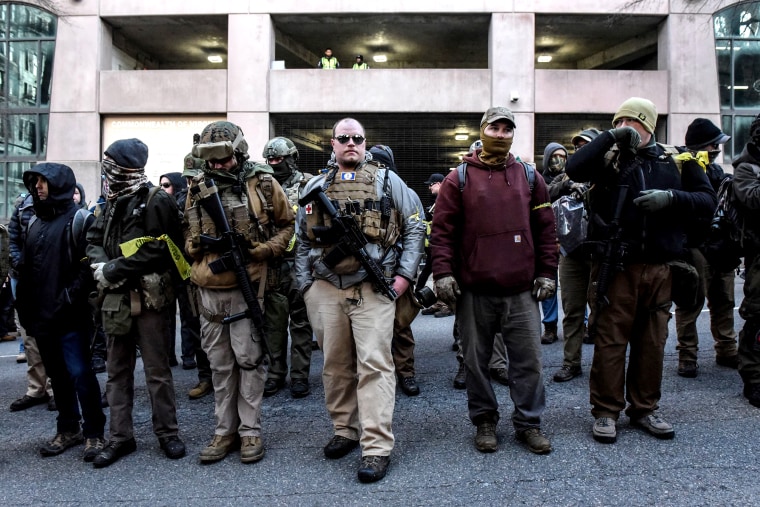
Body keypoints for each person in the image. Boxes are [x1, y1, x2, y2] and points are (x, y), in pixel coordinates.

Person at [566, 97, 716, 444]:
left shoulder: (677, 159)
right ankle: (605, 411)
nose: (627, 128)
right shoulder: (609, 160)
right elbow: (574, 169)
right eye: (620, 121)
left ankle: (644, 408)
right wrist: (610, 137)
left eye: (633, 122)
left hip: (662, 268)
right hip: (617, 267)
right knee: (610, 342)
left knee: (652, 343)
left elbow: (707, 200)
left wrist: (672, 198)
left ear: (649, 126)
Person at [295, 118, 425, 483]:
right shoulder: (315, 185)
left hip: (373, 285)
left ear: (365, 143)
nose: (351, 143)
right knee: (335, 365)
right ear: (332, 144)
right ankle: (344, 429)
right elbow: (300, 239)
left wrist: (404, 277)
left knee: (375, 365)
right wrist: (306, 286)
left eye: (357, 138)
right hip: (325, 287)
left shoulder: (387, 181)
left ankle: (376, 447)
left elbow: (416, 224)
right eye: (344, 138)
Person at [431, 106, 556, 455]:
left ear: (512, 134)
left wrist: (547, 272)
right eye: (494, 128)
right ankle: (485, 421)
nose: (500, 134)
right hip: (475, 291)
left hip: (521, 290)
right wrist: (442, 273)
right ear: (482, 131)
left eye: (506, 129)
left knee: (528, 361)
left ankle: (529, 423)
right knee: (475, 362)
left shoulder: (531, 178)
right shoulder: (459, 178)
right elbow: (442, 233)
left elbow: (546, 231)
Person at [184, 122, 295, 464]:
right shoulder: (197, 187)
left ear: (239, 151)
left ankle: (250, 432)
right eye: (211, 161)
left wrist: (267, 250)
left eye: (224, 159)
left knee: (249, 361)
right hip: (208, 289)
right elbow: (188, 234)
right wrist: (195, 245)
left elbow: (288, 224)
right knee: (220, 365)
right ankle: (223, 431)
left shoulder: (262, 182)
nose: (217, 166)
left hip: (248, 287)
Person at [86, 138, 187, 467]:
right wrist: (101, 267)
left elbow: (164, 248)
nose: (106, 167)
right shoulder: (108, 201)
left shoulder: (157, 200)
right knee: (117, 371)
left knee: (157, 370)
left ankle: (168, 433)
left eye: (111, 162)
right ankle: (120, 438)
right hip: (115, 297)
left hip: (148, 296)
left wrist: (113, 268)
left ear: (126, 165)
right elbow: (92, 239)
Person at [16, 163, 106, 461]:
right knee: (57, 375)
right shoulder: (34, 222)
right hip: (41, 316)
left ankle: (94, 433)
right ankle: (68, 428)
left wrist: (68, 298)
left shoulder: (79, 219)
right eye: (37, 182)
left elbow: (87, 266)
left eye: (44, 182)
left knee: (81, 374)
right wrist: (26, 308)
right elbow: (28, 269)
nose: (39, 187)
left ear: (60, 184)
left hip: (70, 315)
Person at [675, 118, 738, 377]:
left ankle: (727, 349)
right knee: (690, 301)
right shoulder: (681, 168)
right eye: (714, 146)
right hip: (694, 246)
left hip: (720, 246)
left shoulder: (715, 172)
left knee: (724, 298)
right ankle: (687, 355)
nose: (718, 150)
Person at [260, 136, 315, 399]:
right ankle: (275, 373)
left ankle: (299, 376)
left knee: (302, 322)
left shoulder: (308, 185)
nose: (273, 164)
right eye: (269, 160)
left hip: (300, 262)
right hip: (271, 262)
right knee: (274, 323)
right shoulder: (260, 186)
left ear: (291, 158)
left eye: (279, 159)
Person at [370, 144, 422, 397]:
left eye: (383, 164)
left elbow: (416, 231)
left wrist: (406, 273)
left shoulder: (405, 192)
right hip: (368, 271)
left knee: (400, 327)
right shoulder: (366, 189)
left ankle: (406, 373)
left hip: (397, 269)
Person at [552, 129, 599, 382]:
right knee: (572, 309)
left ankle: (605, 366)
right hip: (570, 252)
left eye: (586, 145)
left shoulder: (609, 171)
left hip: (600, 252)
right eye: (577, 146)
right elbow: (545, 193)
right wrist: (568, 184)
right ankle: (571, 363)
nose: (581, 149)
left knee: (602, 309)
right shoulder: (567, 173)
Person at [8, 191, 55, 412]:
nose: (38, 186)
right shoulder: (22, 205)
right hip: (22, 276)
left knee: (52, 334)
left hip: (48, 277)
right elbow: (13, 239)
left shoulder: (58, 204)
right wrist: (21, 264)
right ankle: (36, 388)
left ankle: (55, 388)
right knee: (28, 336)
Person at [178, 155, 214, 400]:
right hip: (188, 273)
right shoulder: (181, 201)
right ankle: (205, 377)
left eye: (194, 177)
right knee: (194, 327)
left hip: (210, 271)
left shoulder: (213, 199)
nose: (191, 182)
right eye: (188, 178)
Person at [732, 113, 760, 408]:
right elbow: (751, 199)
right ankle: (753, 377)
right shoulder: (746, 168)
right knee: (757, 317)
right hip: (758, 255)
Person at [537, 142, 567, 345]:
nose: (559, 160)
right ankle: (549, 326)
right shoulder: (539, 180)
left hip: (569, 240)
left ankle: (579, 325)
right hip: (546, 239)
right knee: (548, 284)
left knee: (572, 287)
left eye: (563, 156)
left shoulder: (573, 177)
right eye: (555, 156)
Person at [419, 173, 452, 318]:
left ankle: (446, 304)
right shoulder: (438, 200)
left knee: (442, 271)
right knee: (434, 270)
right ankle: (440, 302)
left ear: (439, 183)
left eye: (431, 184)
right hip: (435, 243)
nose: (429, 187)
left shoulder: (447, 197)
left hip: (443, 243)